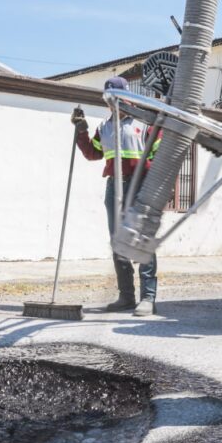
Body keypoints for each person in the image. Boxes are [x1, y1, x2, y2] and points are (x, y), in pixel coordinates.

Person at [72, 76, 159, 316]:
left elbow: (159, 155)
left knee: (140, 239)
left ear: (127, 98)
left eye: (116, 99)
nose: (112, 104)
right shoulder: (105, 126)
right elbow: (93, 153)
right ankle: (126, 296)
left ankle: (148, 298)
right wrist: (82, 131)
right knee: (118, 240)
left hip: (140, 185)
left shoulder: (145, 123)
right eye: (108, 100)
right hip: (115, 185)